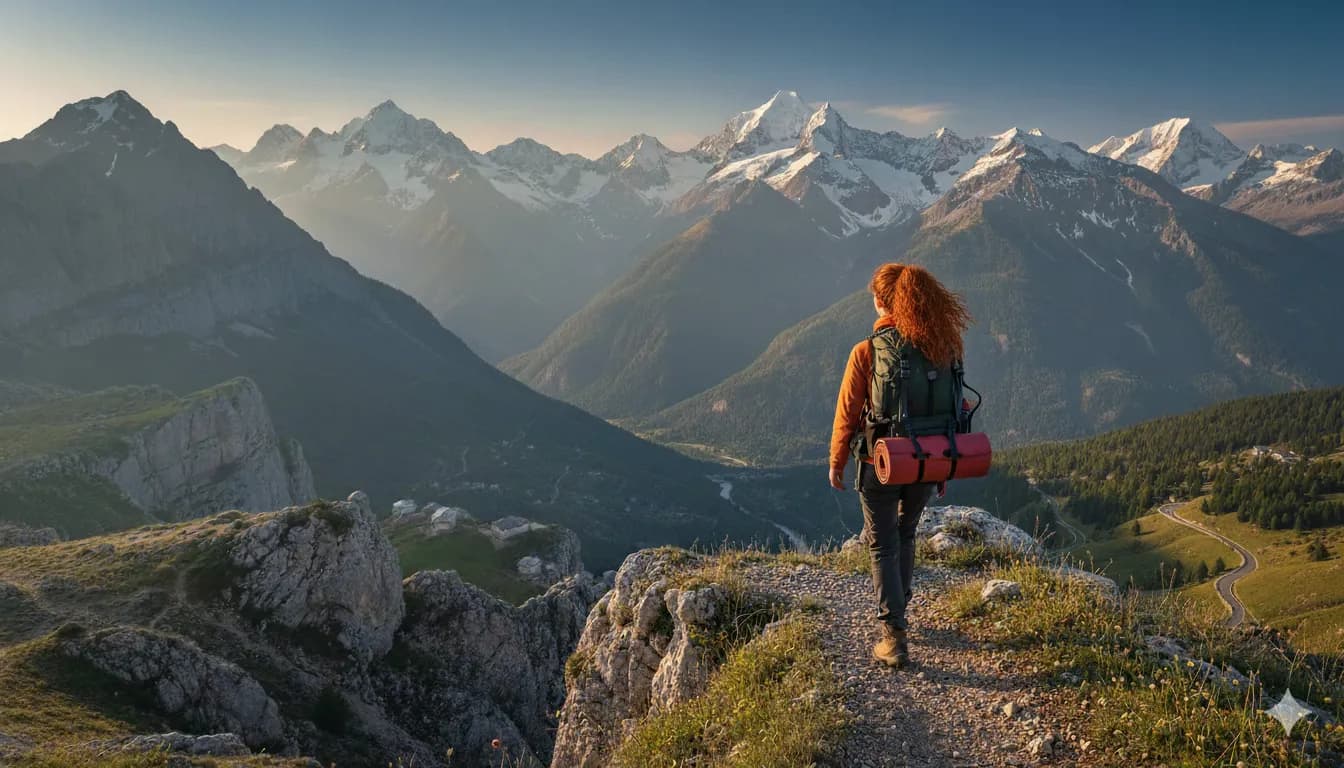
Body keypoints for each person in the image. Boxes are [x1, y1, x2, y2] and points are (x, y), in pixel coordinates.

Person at [828, 263, 972, 668]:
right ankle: (901, 607)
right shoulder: (945, 347)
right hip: (929, 459)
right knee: (906, 532)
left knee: (882, 543)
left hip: (882, 461)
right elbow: (956, 408)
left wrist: (837, 462)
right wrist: (944, 463)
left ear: (881, 301)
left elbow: (847, 414)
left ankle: (893, 635)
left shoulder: (869, 350)